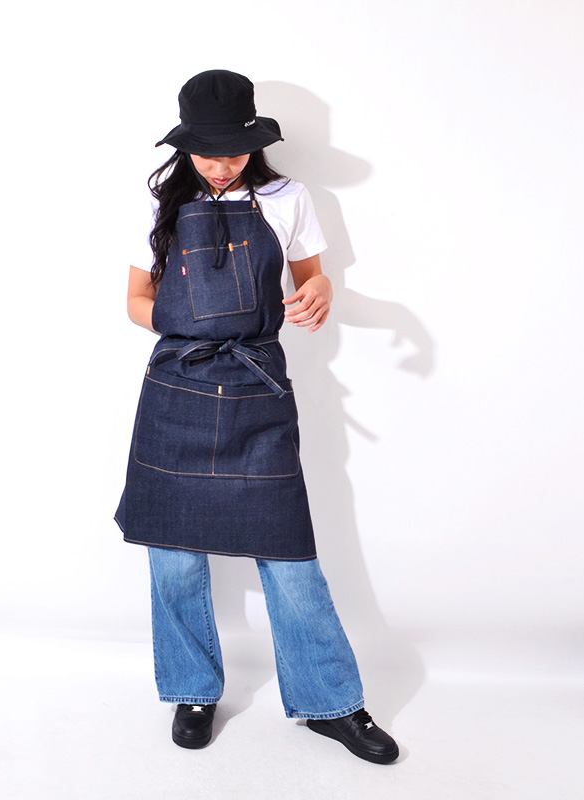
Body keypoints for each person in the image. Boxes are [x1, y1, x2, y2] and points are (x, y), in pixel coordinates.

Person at [115, 69, 399, 765]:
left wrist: (321, 289)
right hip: (178, 386)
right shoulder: (155, 200)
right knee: (173, 555)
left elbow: (311, 279)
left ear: (255, 142)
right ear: (185, 144)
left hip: (256, 386)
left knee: (289, 553)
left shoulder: (288, 197)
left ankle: (332, 703)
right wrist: (187, 324)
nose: (220, 164)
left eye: (233, 151)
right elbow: (135, 301)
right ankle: (192, 691)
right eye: (206, 152)